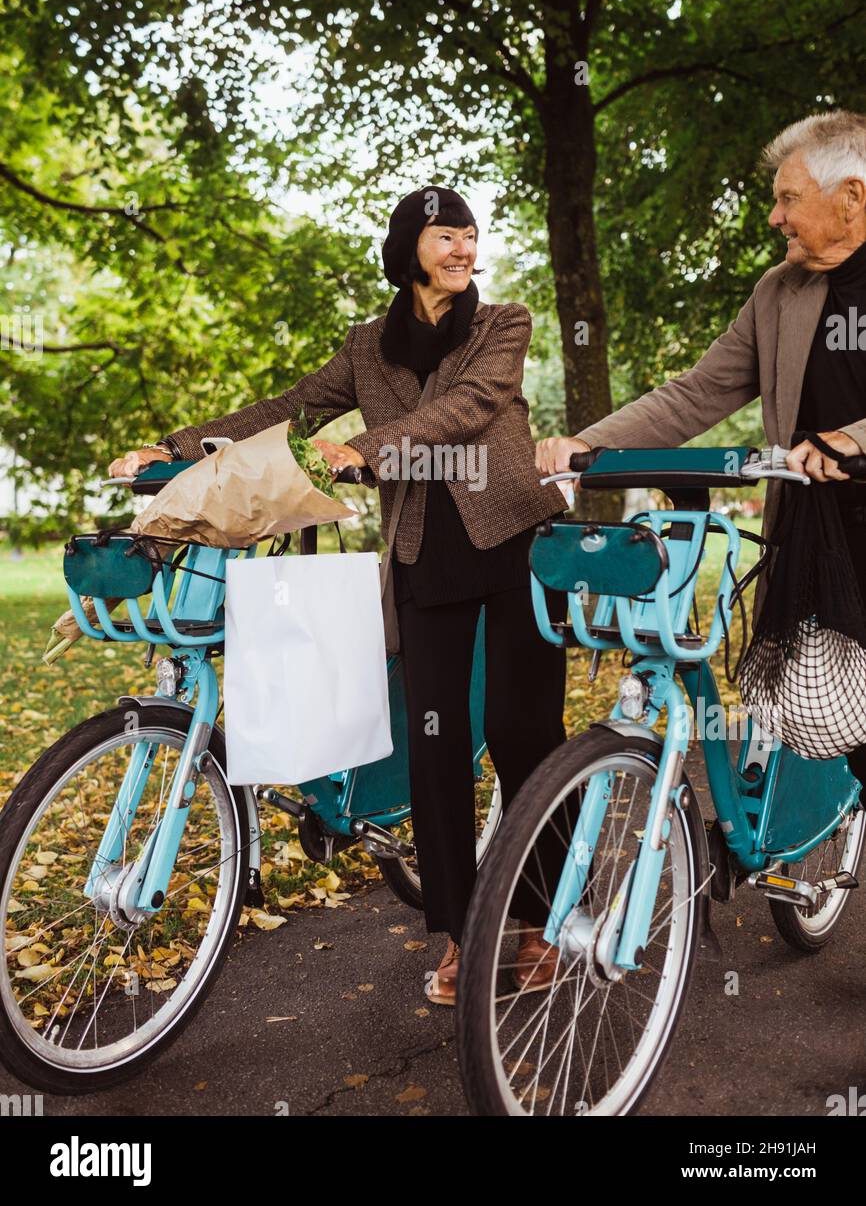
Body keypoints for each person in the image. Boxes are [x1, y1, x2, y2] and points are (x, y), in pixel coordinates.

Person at [109, 186, 569, 1005]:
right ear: (407, 249)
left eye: (469, 234)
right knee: (434, 747)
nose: (463, 248)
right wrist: (176, 448)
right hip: (427, 560)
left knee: (521, 731)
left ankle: (538, 925)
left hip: (515, 546)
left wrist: (361, 449)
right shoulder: (367, 346)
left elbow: (470, 409)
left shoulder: (505, 323)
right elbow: (290, 408)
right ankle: (465, 934)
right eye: (444, 236)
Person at [536, 108, 866, 783]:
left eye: (787, 198)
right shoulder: (780, 292)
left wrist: (851, 440)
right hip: (812, 539)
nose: (774, 217)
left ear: (852, 197)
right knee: (826, 722)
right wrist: (588, 446)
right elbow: (696, 394)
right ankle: (799, 864)